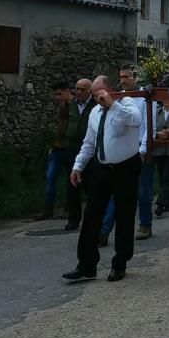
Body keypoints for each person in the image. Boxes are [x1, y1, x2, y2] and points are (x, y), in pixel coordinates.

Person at [62, 75, 149, 283]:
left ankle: (120, 262)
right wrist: (78, 166)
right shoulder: (94, 112)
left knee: (124, 214)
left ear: (110, 90)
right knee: (91, 214)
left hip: (126, 167)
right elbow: (89, 142)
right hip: (102, 167)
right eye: (94, 94)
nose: (97, 98)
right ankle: (87, 264)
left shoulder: (126, 103)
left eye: (100, 93)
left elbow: (136, 121)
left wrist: (113, 105)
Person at [99, 65, 156, 245]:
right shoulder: (118, 99)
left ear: (135, 78)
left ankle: (145, 224)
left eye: (126, 76)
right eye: (121, 76)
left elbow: (149, 126)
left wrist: (143, 150)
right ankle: (104, 230)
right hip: (123, 151)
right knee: (117, 191)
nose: (122, 80)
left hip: (140, 149)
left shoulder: (147, 98)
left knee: (143, 190)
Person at [64, 78, 96, 231]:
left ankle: (92, 217)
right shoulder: (71, 105)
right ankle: (74, 218)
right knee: (72, 185)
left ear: (90, 91)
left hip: (89, 149)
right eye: (77, 89)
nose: (79, 92)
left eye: (83, 89)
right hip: (72, 148)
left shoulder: (95, 105)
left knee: (90, 185)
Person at [37, 80, 72, 221]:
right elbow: (61, 125)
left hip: (69, 147)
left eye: (59, 94)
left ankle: (69, 209)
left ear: (67, 91)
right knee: (51, 177)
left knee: (71, 179)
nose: (57, 97)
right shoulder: (63, 105)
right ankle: (48, 210)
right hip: (58, 147)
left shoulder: (75, 105)